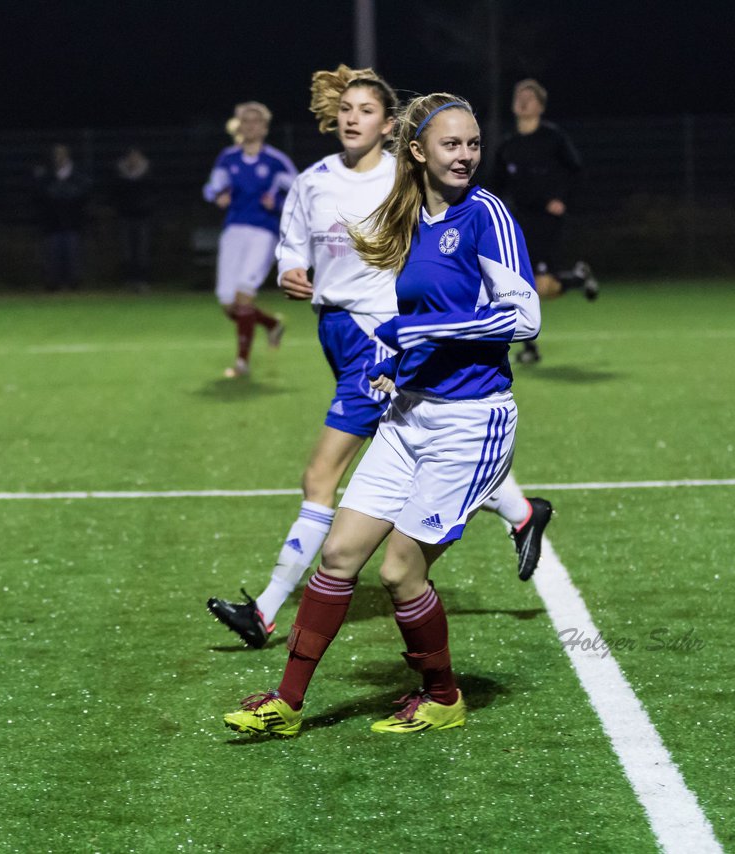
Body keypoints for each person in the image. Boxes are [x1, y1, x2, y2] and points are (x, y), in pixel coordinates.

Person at [224, 92, 541, 737]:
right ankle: (286, 702)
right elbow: (418, 320)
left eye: (473, 144)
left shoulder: (486, 214)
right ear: (418, 152)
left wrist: (422, 335)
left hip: (470, 420)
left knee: (399, 570)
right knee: (338, 555)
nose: (466, 156)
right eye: (451, 144)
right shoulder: (409, 220)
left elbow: (525, 316)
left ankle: (444, 696)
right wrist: (395, 362)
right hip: (407, 415)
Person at [490, 78, 594, 365]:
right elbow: (496, 185)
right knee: (524, 284)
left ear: (540, 105)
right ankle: (530, 347)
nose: (523, 101)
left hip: (547, 220)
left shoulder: (553, 138)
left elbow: (576, 171)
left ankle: (575, 278)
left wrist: (563, 200)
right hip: (519, 219)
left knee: (540, 286)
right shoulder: (507, 145)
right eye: (518, 96)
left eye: (529, 97)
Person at [202, 102, 295, 378]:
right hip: (233, 231)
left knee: (244, 296)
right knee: (228, 303)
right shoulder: (228, 158)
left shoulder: (276, 162)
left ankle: (241, 363)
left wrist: (276, 202)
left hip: (263, 233)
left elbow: (300, 192)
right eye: (246, 121)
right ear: (239, 126)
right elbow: (210, 187)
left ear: (265, 128)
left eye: (256, 121)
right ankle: (270, 324)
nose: (251, 125)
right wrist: (217, 195)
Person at [33, 144, 90, 291]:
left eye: (62, 155)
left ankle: (73, 283)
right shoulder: (47, 176)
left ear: (67, 156)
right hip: (53, 224)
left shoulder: (77, 176)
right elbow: (40, 196)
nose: (59, 158)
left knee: (72, 255)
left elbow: (82, 195)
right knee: (53, 256)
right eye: (57, 155)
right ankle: (53, 284)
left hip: (72, 223)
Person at [112, 146, 154, 292]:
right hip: (125, 216)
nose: (133, 160)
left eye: (136, 157)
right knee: (127, 251)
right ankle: (129, 280)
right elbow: (115, 195)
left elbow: (153, 193)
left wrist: (147, 207)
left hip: (143, 217)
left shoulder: (147, 174)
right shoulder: (120, 176)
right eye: (130, 157)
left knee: (142, 251)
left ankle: (142, 281)